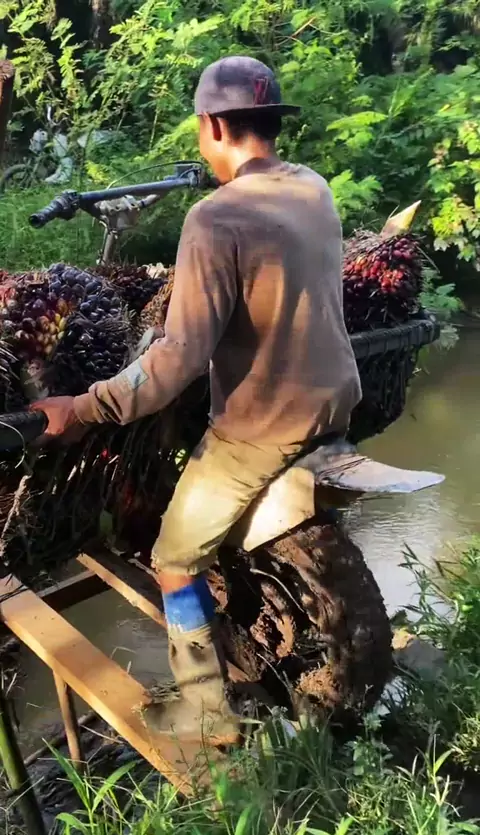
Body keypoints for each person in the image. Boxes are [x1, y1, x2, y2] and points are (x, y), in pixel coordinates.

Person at [31, 56, 362, 741]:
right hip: (336, 400)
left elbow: (175, 361)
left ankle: (206, 713)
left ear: (211, 125)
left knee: (174, 562)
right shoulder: (314, 188)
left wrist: (84, 407)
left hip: (264, 429)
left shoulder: (216, 218)